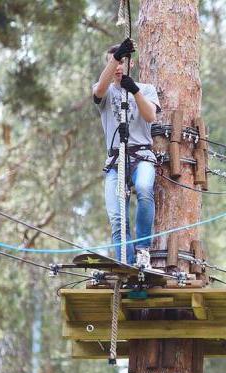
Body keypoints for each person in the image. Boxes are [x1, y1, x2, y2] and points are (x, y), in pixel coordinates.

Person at [92, 38, 161, 268]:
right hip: (115, 161)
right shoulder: (106, 92)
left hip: (141, 156)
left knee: (143, 188)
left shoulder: (146, 89)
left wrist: (135, 90)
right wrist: (115, 57)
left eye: (122, 61)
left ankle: (142, 251)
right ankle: (126, 262)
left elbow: (150, 116)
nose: (118, 66)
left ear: (130, 64)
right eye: (114, 62)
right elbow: (99, 89)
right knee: (117, 217)